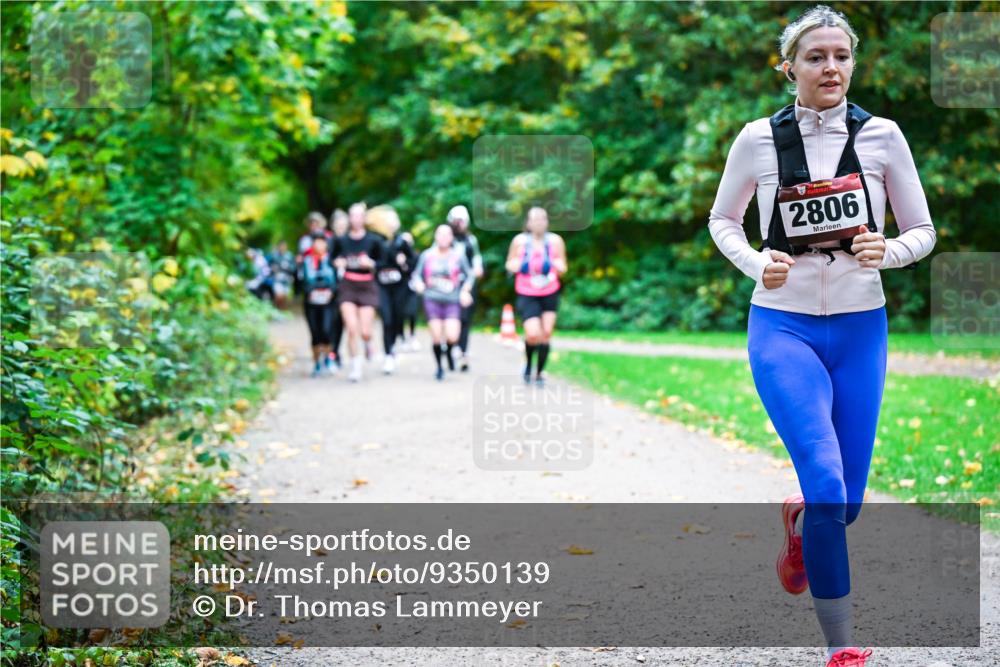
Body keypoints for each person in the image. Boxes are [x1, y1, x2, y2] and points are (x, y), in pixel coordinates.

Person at [707, 6, 936, 667]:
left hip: (862, 327)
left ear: (852, 64)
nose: (830, 66)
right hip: (782, 326)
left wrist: (885, 249)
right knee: (830, 483)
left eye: (841, 55)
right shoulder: (756, 139)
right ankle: (842, 649)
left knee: (847, 502)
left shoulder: (884, 137)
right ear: (790, 68)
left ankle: (803, 525)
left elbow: (922, 232)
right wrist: (758, 261)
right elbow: (724, 219)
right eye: (815, 56)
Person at [505, 207, 567, 386]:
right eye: (535, 219)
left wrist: (558, 265)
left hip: (549, 291)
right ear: (529, 222)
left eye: (543, 219)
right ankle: (528, 364)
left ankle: (539, 373)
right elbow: (509, 264)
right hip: (527, 293)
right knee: (533, 334)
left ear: (547, 222)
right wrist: (516, 265)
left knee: (546, 333)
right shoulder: (520, 242)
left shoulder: (555, 241)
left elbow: (563, 266)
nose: (539, 222)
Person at [410, 224, 475, 381]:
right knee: (437, 336)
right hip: (432, 299)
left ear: (451, 238)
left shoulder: (458, 256)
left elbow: (470, 275)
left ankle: (450, 352)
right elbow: (416, 275)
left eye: (447, 235)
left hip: (452, 300)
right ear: (436, 237)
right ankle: (439, 367)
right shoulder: (427, 255)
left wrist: (465, 291)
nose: (444, 238)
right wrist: (418, 284)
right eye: (441, 234)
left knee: (453, 336)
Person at [331, 202, 385, 382]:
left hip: (367, 286)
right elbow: (332, 258)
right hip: (348, 285)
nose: (355, 219)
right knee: (352, 329)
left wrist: (371, 264)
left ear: (364, 218)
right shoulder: (341, 240)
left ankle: (368, 342)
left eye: (359, 216)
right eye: (352, 216)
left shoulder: (374, 240)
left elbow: (383, 262)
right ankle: (355, 365)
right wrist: (338, 263)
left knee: (365, 331)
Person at [370, 206, 416, 374]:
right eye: (388, 220)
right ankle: (388, 354)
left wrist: (404, 263)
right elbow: (372, 261)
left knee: (397, 318)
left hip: (400, 288)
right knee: (387, 319)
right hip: (382, 287)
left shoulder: (402, 242)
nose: (391, 224)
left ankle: (395, 344)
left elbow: (413, 264)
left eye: (393, 220)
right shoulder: (376, 241)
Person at [447, 205, 484, 371]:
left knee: (465, 319)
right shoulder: (446, 239)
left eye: (462, 221)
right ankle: (449, 347)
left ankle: (462, 351)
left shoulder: (470, 240)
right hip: (448, 285)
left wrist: (477, 269)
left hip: (467, 284)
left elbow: (476, 260)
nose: (460, 224)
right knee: (450, 317)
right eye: (457, 221)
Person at [300, 234, 337, 377]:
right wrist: (311, 290)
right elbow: (301, 282)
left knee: (327, 330)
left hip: (328, 302)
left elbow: (336, 282)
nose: (319, 246)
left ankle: (328, 357)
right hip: (311, 302)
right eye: (316, 243)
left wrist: (330, 292)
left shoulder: (331, 260)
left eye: (322, 243)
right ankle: (316, 363)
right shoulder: (306, 262)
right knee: (315, 332)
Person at [267, 240, 295, 310]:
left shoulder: (289, 256)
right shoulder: (274, 255)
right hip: (277, 279)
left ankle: (282, 310)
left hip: (286, 279)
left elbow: (293, 267)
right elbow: (268, 265)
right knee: (278, 295)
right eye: (281, 246)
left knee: (284, 297)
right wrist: (273, 269)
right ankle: (276, 309)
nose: (282, 248)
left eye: (284, 246)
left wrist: (287, 268)